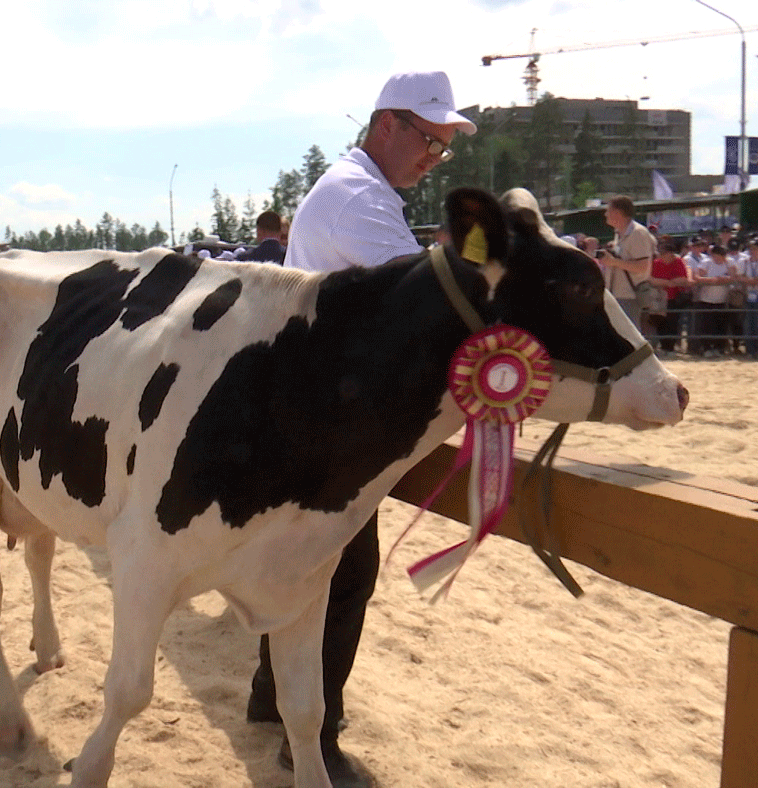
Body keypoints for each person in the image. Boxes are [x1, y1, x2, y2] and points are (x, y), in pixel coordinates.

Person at [258, 69, 475, 788]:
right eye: (429, 140)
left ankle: (271, 699)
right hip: (332, 428)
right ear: (388, 123)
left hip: (313, 411)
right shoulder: (359, 198)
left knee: (300, 572)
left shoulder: (357, 189)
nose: (432, 158)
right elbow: (430, 302)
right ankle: (310, 740)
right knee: (341, 578)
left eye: (443, 148)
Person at [598, 195, 656, 329]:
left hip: (629, 297)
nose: (605, 214)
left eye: (608, 210)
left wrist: (613, 262)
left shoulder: (638, 233)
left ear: (617, 213)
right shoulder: (619, 233)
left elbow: (642, 267)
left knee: (629, 340)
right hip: (616, 295)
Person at [647, 241, 691, 353]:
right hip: (659, 298)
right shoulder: (655, 263)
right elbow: (651, 280)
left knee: (673, 323)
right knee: (659, 322)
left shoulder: (678, 262)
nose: (664, 256)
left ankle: (670, 347)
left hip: (674, 297)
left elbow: (684, 279)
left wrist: (666, 282)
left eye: (666, 253)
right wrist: (668, 282)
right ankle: (663, 346)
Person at [690, 245, 733, 356]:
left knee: (721, 326)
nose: (718, 258)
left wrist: (724, 279)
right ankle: (706, 348)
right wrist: (713, 280)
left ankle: (719, 348)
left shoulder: (728, 263)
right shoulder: (706, 263)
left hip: (722, 300)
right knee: (706, 325)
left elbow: (734, 277)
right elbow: (697, 277)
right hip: (706, 299)